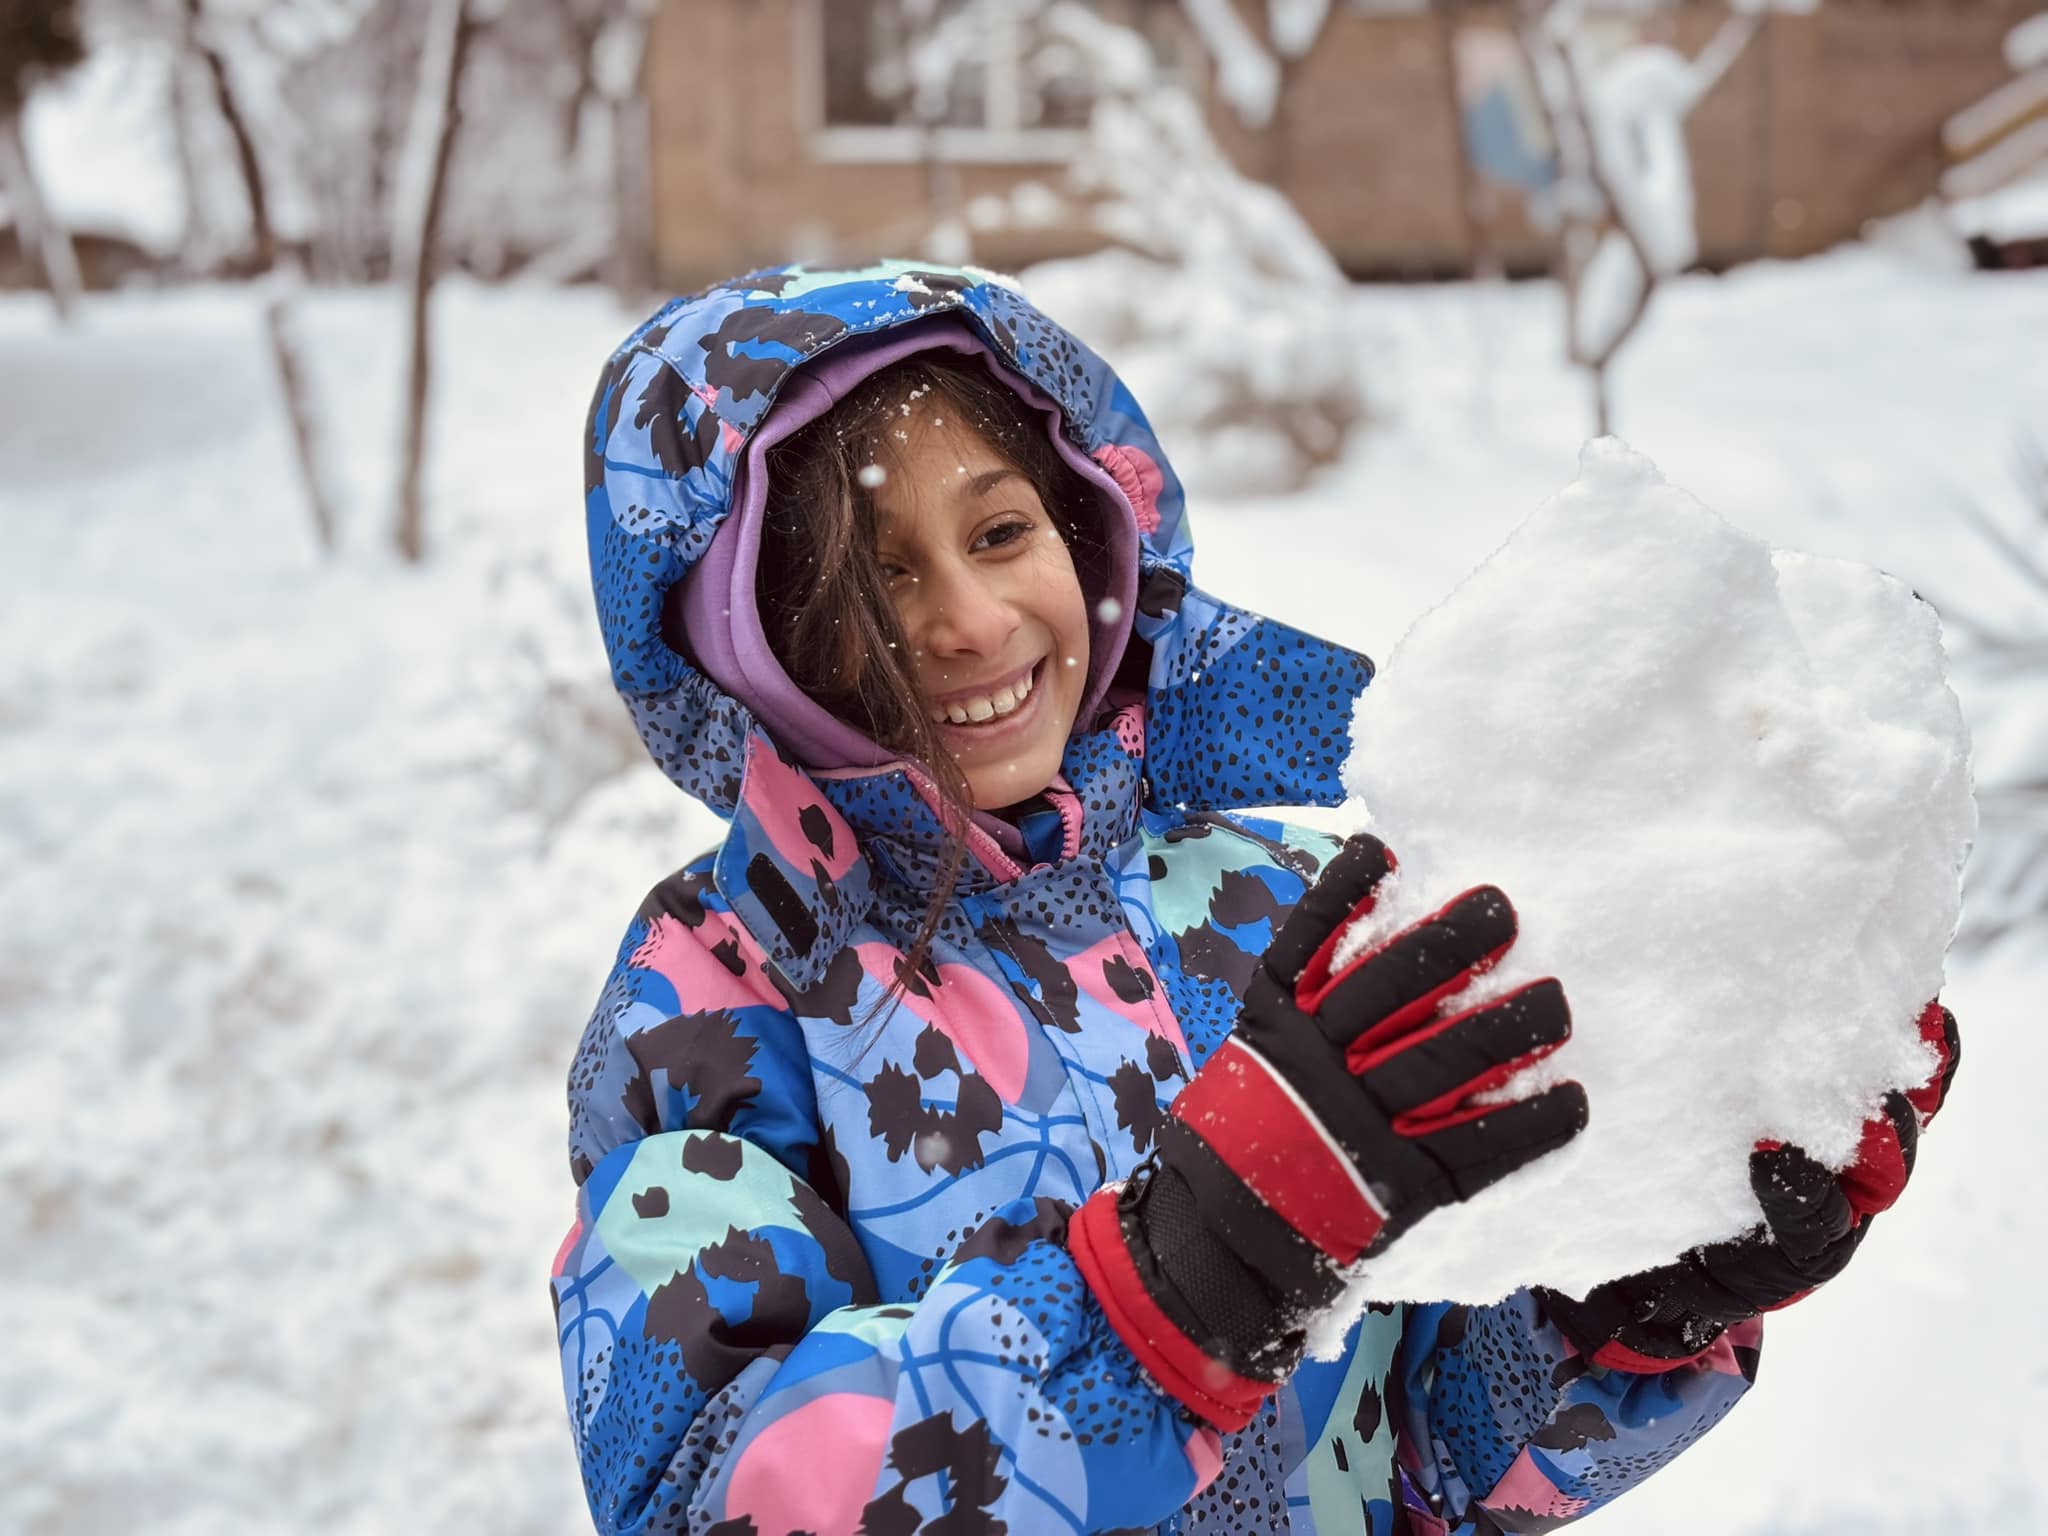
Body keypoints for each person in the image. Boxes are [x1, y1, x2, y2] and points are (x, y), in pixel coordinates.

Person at [551, 262, 1958, 1536]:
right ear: (742, 648)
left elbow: (1412, 1457)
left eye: (997, 533)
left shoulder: (1276, 906)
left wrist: (1617, 1310)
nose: (967, 625)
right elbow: (701, 1498)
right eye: (870, 581)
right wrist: (1172, 1293)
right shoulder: (718, 1000)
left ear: (1093, 533)